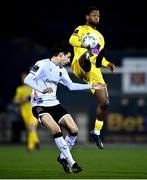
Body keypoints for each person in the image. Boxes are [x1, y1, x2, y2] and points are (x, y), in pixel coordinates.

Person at [24, 44, 106, 173]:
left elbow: (71, 86)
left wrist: (91, 86)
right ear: (60, 55)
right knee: (56, 131)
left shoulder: (61, 70)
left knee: (74, 130)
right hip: (39, 105)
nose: (69, 61)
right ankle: (72, 162)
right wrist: (42, 90)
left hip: (54, 104)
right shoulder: (42, 64)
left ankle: (62, 158)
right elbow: (28, 79)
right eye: (68, 58)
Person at [69, 6, 116, 149]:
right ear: (87, 17)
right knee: (88, 56)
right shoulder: (81, 29)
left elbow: (98, 57)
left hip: (93, 69)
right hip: (79, 63)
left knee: (105, 103)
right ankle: (87, 57)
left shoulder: (101, 37)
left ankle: (96, 132)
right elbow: (72, 40)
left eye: (98, 16)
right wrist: (85, 45)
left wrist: (107, 64)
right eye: (94, 15)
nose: (96, 17)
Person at [13, 72, 40, 151]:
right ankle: (36, 141)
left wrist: (32, 98)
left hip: (34, 110)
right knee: (30, 128)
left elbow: (40, 98)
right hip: (24, 112)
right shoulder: (20, 89)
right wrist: (23, 100)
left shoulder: (34, 88)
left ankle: (30, 146)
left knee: (31, 127)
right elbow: (15, 101)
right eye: (23, 78)